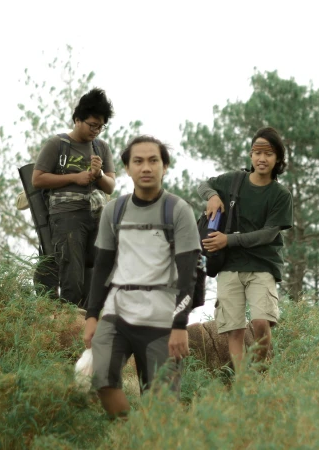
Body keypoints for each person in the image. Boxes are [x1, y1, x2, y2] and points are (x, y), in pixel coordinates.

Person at [83, 135, 198, 418]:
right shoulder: (114, 210)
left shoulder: (178, 210)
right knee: (100, 379)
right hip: (117, 312)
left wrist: (180, 324)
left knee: (162, 405)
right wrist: (91, 314)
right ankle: (127, 431)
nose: (146, 167)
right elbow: (102, 267)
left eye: (153, 161)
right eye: (138, 161)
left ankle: (152, 437)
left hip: (162, 317)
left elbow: (190, 272)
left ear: (164, 166)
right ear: (127, 168)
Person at [197, 126, 293, 371]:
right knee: (234, 329)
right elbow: (204, 184)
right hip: (229, 265)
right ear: (251, 155)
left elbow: (268, 234)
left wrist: (228, 240)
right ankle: (243, 385)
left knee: (261, 323)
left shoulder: (280, 195)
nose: (262, 158)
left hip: (262, 265)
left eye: (269, 153)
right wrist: (212, 196)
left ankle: (261, 376)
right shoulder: (233, 181)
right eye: (257, 152)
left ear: (278, 159)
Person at [31, 88, 116, 309]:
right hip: (66, 215)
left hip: (97, 215)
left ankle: (92, 319)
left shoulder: (101, 148)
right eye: (92, 125)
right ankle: (69, 322)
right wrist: (75, 178)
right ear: (78, 119)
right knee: (72, 274)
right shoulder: (57, 144)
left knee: (101, 272)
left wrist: (98, 175)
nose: (96, 130)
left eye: (101, 126)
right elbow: (37, 179)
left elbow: (111, 185)